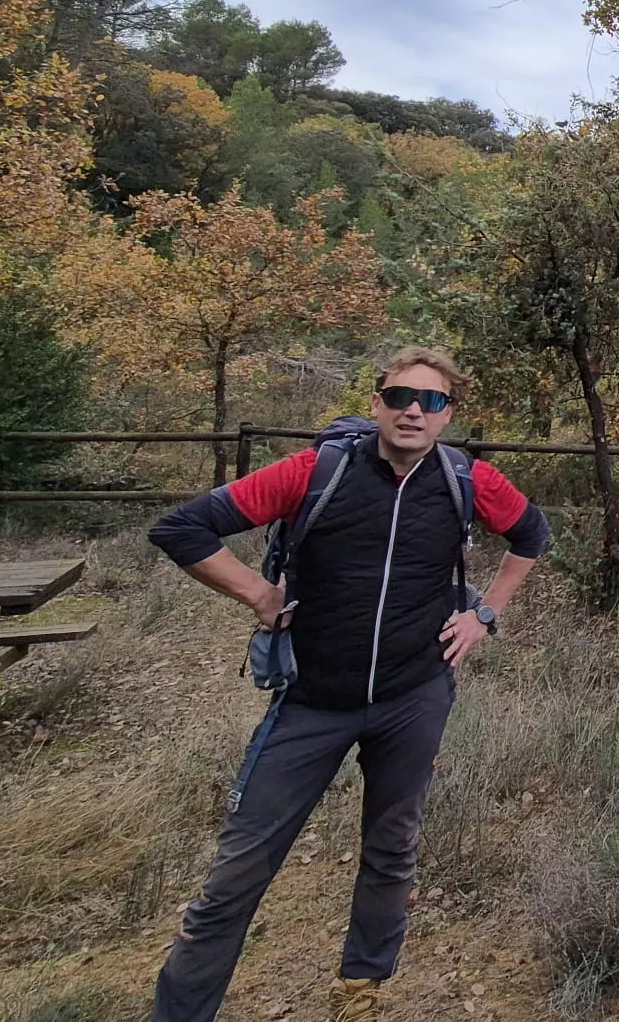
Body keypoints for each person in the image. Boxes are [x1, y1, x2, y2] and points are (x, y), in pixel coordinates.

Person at [147, 348, 551, 1022]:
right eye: (400, 398)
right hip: (312, 702)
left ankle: (359, 995)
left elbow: (532, 535)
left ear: (450, 412)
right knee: (239, 869)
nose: (413, 411)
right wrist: (257, 593)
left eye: (431, 401)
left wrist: (485, 615)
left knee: (392, 849)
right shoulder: (317, 472)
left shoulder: (465, 480)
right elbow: (182, 527)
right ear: (377, 404)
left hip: (414, 696)